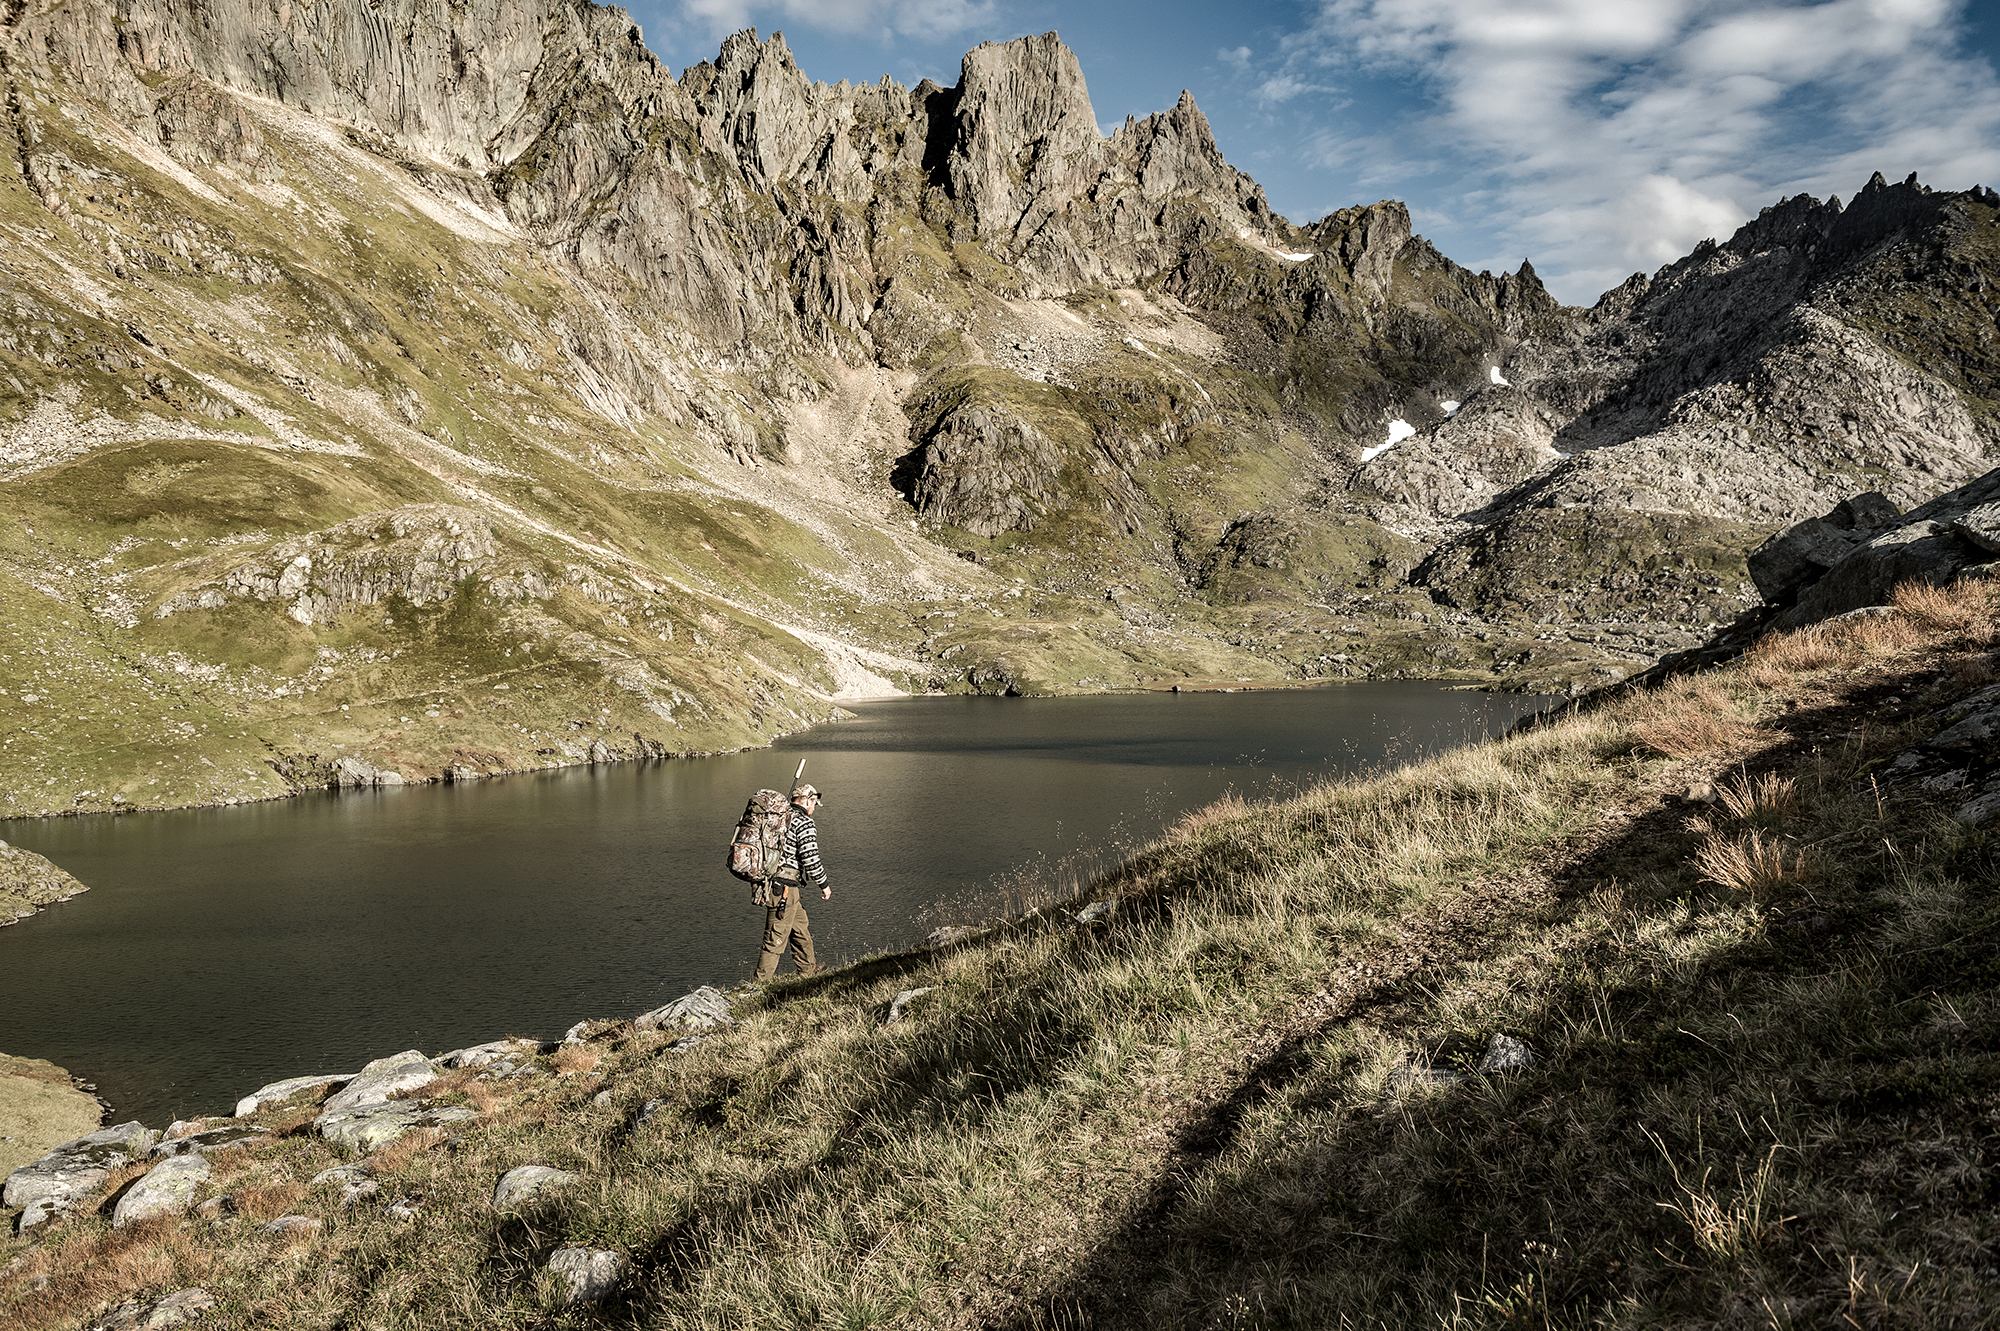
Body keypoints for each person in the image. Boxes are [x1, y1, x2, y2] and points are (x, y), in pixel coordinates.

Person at [755, 782, 831, 980]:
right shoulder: (804, 823)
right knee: (775, 938)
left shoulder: (780, 817)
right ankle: (758, 986)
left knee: (800, 927)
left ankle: (808, 970)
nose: (814, 809)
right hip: (784, 889)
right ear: (807, 801)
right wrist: (824, 885)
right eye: (814, 804)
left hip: (777, 886)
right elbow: (811, 859)